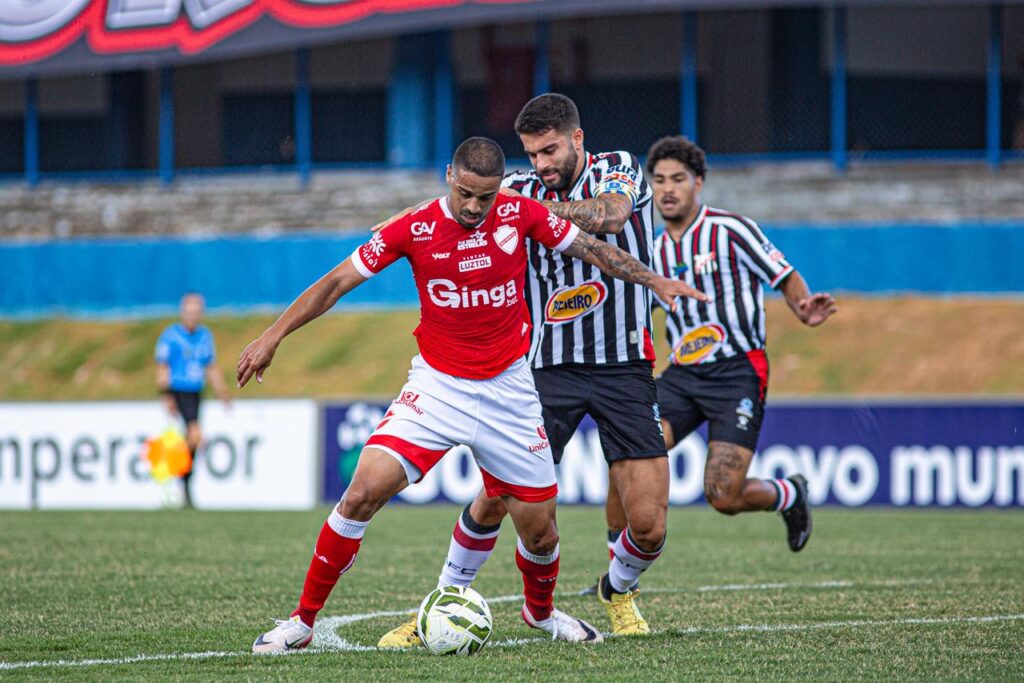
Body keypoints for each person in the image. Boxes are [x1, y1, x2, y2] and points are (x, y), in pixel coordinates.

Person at [241, 137, 704, 654]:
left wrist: (654, 282)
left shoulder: (519, 213)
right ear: (448, 177)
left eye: (485, 197)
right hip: (438, 387)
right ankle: (301, 622)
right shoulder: (412, 229)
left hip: (510, 392)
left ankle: (541, 614)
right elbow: (335, 283)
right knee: (361, 492)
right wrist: (272, 336)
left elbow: (593, 249)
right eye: (465, 194)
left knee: (542, 534)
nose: (474, 207)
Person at [379, 94, 691, 645]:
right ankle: (437, 604)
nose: (541, 164)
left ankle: (617, 590)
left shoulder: (616, 167)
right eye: (531, 154)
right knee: (495, 496)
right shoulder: (513, 192)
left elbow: (612, 217)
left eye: (550, 150)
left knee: (649, 525)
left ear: (575, 139)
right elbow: (442, 220)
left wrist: (519, 209)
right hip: (541, 369)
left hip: (624, 367)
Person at [644, 135, 837, 551]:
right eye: (659, 180)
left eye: (678, 179)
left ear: (698, 182)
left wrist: (803, 307)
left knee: (722, 495)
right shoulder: (652, 251)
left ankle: (789, 494)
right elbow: (644, 310)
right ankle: (621, 573)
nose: (667, 189)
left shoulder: (730, 230)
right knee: (634, 449)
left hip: (737, 372)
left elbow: (782, 273)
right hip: (680, 374)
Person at [155, 292, 231, 509]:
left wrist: (222, 391)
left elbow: (211, 366)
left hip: (196, 392)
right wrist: (166, 395)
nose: (193, 316)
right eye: (189, 311)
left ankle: (181, 475)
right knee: (196, 434)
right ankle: (177, 472)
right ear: (182, 312)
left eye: (197, 312)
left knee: (192, 438)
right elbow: (162, 366)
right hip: (178, 389)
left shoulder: (205, 336)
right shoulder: (170, 336)